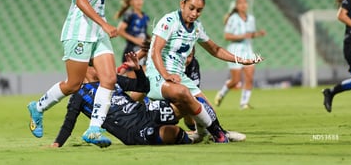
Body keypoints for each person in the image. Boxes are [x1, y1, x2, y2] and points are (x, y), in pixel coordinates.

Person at [27, 0, 117, 148]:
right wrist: (105, 24)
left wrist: (102, 27)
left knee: (109, 79)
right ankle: (37, 108)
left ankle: (94, 130)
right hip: (80, 32)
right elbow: (81, 1)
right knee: (74, 84)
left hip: (96, 34)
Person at [51, 52, 245, 146]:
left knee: (184, 100)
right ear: (86, 69)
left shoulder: (111, 80)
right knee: (174, 132)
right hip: (132, 130)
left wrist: (137, 69)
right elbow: (69, 123)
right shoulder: (79, 95)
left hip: (145, 111)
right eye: (96, 66)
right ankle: (192, 137)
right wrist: (57, 143)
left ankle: (213, 132)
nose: (102, 69)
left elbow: (142, 87)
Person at [145, 0, 263, 143]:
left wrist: (240, 60)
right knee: (186, 97)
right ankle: (219, 134)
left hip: (178, 76)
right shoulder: (169, 21)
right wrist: (166, 75)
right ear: (183, 4)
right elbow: (155, 52)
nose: (194, 14)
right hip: (158, 75)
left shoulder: (196, 27)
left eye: (199, 11)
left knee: (208, 111)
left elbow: (215, 49)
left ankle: (204, 133)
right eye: (191, 8)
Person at [214, 0, 266, 109]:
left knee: (250, 76)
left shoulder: (251, 18)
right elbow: (227, 36)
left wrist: (258, 34)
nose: (243, 5)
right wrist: (241, 36)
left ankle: (244, 103)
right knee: (236, 80)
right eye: (241, 3)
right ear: (236, 6)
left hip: (248, 49)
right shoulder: (232, 18)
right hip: (235, 50)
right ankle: (221, 93)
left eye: (245, 3)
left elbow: (250, 35)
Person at [115, 0, 150, 71]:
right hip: (131, 50)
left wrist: (149, 39)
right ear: (131, 2)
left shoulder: (146, 17)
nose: (138, 1)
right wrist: (135, 40)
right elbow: (120, 30)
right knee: (130, 76)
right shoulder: (129, 15)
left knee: (142, 73)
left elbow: (143, 33)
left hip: (142, 50)